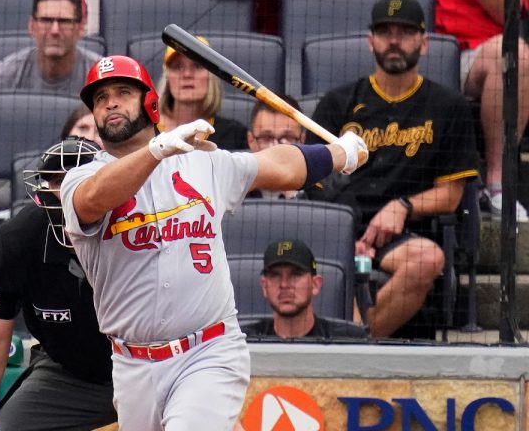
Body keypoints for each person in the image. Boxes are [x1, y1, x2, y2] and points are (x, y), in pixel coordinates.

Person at [60, 55, 367, 430]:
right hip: (132, 364)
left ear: (150, 102)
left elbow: (278, 165)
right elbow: (94, 199)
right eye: (100, 97)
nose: (110, 102)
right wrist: (156, 151)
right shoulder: (81, 179)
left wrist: (341, 153)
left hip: (207, 350)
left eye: (123, 92)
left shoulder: (200, 164)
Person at [306, 0, 480, 339]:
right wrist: (343, 232)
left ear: (424, 42)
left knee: (427, 260)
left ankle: (352, 346)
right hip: (336, 227)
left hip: (402, 236)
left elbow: (452, 195)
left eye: (405, 32)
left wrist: (403, 206)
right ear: (371, 41)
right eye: (385, 32)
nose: (394, 40)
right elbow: (312, 180)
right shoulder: (338, 103)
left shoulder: (449, 107)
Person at [0, 137, 117, 430]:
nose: (68, 190)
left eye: (81, 178)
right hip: (70, 376)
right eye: (57, 181)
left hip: (152, 366)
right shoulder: (14, 242)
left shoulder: (143, 226)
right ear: (41, 189)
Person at [436, 0, 529, 221]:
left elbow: (509, 15)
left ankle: (496, 186)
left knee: (514, 54)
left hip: (473, 52)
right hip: (408, 43)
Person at [241, 239, 368, 339]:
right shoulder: (243, 340)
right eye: (275, 275)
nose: (284, 284)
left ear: (315, 284)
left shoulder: (346, 340)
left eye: (295, 275)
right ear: (264, 286)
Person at [0, 0, 100, 94]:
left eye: (65, 22)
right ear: (32, 26)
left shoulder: (102, 77)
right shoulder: (3, 77)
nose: (55, 31)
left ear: (81, 28)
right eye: (46, 20)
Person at [156, 37, 248, 151]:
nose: (187, 74)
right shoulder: (145, 130)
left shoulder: (234, 135)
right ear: (167, 78)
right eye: (178, 66)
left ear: (211, 76)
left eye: (197, 66)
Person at [246, 97, 306, 199]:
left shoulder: (323, 194)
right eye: (266, 137)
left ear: (302, 140)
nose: (276, 148)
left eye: (287, 138)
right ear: (251, 140)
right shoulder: (228, 191)